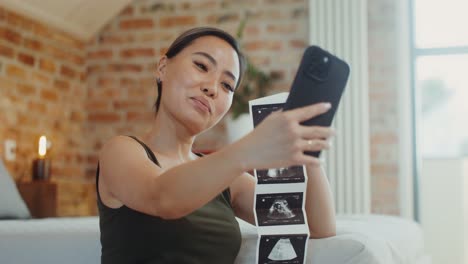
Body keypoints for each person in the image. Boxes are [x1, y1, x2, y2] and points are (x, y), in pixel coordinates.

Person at [96, 27, 336, 264]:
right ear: (163, 68)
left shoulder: (230, 181)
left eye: (227, 86)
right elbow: (162, 198)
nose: (212, 88)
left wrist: (306, 147)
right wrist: (247, 150)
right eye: (201, 66)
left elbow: (316, 226)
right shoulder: (120, 151)